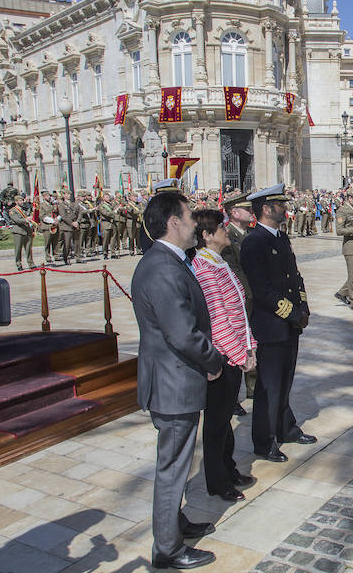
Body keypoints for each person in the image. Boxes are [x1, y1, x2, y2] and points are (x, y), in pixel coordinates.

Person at [131, 191, 222, 570]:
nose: (194, 224)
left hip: (174, 379)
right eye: (188, 217)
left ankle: (174, 524)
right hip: (173, 382)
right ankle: (167, 549)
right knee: (173, 468)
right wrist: (214, 359)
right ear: (173, 222)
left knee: (178, 464)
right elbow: (182, 333)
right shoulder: (164, 268)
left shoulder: (166, 260)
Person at [240, 184, 316, 463]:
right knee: (268, 388)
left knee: (285, 382)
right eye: (280, 205)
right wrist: (292, 313)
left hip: (290, 325)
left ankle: (286, 428)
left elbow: (294, 277)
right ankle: (264, 440)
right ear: (266, 209)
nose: (285, 208)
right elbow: (262, 290)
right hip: (271, 326)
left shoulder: (281, 238)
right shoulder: (254, 242)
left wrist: (304, 307)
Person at [191, 210, 258, 502]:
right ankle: (217, 480)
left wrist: (249, 344)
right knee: (217, 422)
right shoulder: (204, 268)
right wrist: (238, 354)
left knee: (225, 419)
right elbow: (217, 320)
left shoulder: (218, 262)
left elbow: (238, 311)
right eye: (220, 227)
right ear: (206, 235)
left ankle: (228, 468)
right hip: (221, 357)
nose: (225, 230)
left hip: (234, 353)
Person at [221, 191, 257, 413]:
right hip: (242, 297)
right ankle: (231, 397)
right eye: (247, 209)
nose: (251, 212)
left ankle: (253, 387)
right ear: (234, 213)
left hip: (254, 297)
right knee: (237, 346)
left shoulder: (250, 233)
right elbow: (234, 271)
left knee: (253, 342)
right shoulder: (226, 237)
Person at [9, 195, 36, 271]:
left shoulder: (25, 209)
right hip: (18, 231)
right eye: (20, 201)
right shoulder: (13, 210)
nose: (22, 202)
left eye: (22, 200)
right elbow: (17, 220)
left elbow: (30, 215)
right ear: (16, 202)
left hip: (27, 230)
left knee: (28, 248)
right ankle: (18, 264)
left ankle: (31, 263)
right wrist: (26, 220)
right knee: (18, 249)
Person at [58, 190, 82, 265]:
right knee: (67, 243)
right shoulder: (62, 205)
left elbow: (80, 212)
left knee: (77, 242)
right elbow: (63, 216)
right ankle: (66, 258)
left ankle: (77, 257)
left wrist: (77, 221)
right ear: (63, 195)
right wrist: (72, 223)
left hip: (75, 225)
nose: (69, 195)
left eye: (69, 194)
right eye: (67, 194)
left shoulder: (74, 204)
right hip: (67, 226)